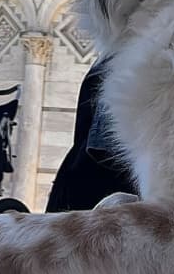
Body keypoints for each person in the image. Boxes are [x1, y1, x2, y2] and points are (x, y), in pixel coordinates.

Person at [44, 55, 140, 212]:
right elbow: (106, 146)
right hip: (106, 185)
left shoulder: (118, 58)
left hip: (86, 181)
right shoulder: (130, 60)